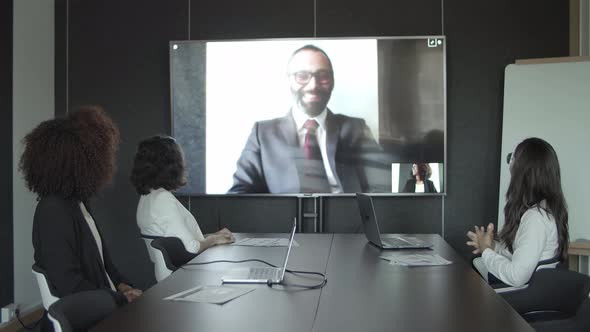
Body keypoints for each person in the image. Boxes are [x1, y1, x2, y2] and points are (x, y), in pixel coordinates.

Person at [20, 107, 142, 311]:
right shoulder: (53, 211)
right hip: (93, 315)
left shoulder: (78, 204)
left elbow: (106, 266)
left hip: (108, 305)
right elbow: (69, 284)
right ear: (81, 163)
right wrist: (121, 299)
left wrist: (125, 287)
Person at [228, 44, 390, 194]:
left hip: (347, 219)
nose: (313, 85)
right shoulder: (262, 134)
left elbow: (382, 185)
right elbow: (240, 194)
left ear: (332, 81)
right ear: (289, 80)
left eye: (323, 76)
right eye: (302, 76)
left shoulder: (355, 128)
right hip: (285, 222)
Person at [466, 137, 569, 287]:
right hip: (532, 290)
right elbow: (520, 253)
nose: (510, 165)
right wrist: (491, 246)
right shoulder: (542, 210)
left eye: (512, 158)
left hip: (522, 295)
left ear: (524, 171)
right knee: (474, 263)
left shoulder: (536, 218)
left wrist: (486, 250)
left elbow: (517, 277)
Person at [131, 135, 235, 255]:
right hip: (184, 272)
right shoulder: (162, 199)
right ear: (171, 165)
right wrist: (215, 239)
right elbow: (192, 248)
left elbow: (177, 241)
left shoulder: (148, 197)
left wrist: (214, 236)